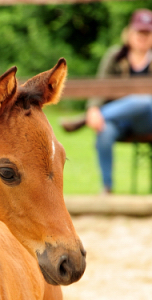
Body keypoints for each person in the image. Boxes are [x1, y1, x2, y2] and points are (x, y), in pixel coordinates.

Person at [61, 9, 152, 193]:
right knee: (104, 131)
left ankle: (84, 119)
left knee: (143, 101)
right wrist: (93, 108)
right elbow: (100, 87)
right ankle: (107, 188)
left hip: (148, 120)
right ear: (129, 33)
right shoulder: (115, 56)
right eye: (139, 32)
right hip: (119, 120)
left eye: (147, 33)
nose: (142, 37)